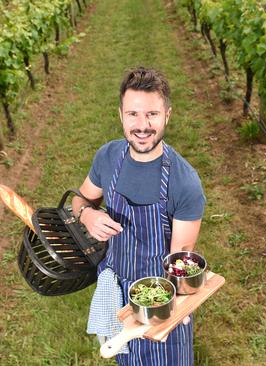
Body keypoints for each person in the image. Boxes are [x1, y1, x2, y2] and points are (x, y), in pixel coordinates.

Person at [72, 67, 206, 365]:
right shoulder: (107, 157)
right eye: (133, 114)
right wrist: (88, 215)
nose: (142, 125)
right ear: (120, 115)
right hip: (117, 292)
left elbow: (180, 266)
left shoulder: (183, 182)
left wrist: (171, 312)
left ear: (167, 116)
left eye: (152, 115)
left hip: (159, 301)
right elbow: (79, 200)